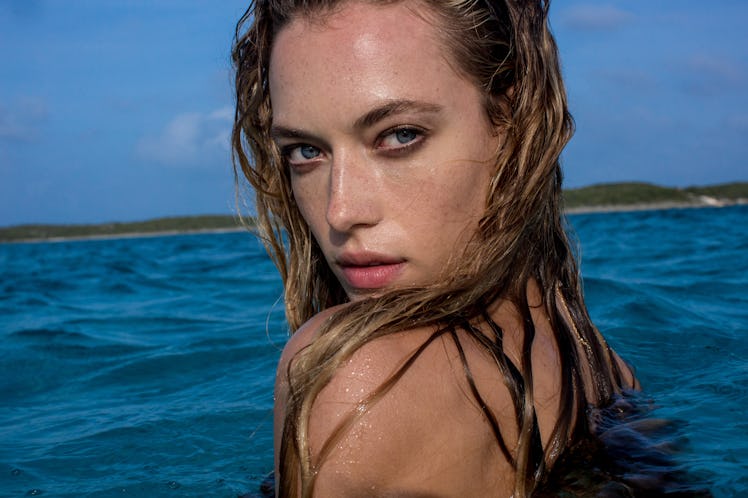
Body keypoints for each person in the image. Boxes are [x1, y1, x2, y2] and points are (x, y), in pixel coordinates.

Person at [230, 1, 702, 497]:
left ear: (514, 124)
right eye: (306, 151)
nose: (340, 211)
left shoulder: (356, 376)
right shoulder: (604, 367)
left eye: (400, 135)